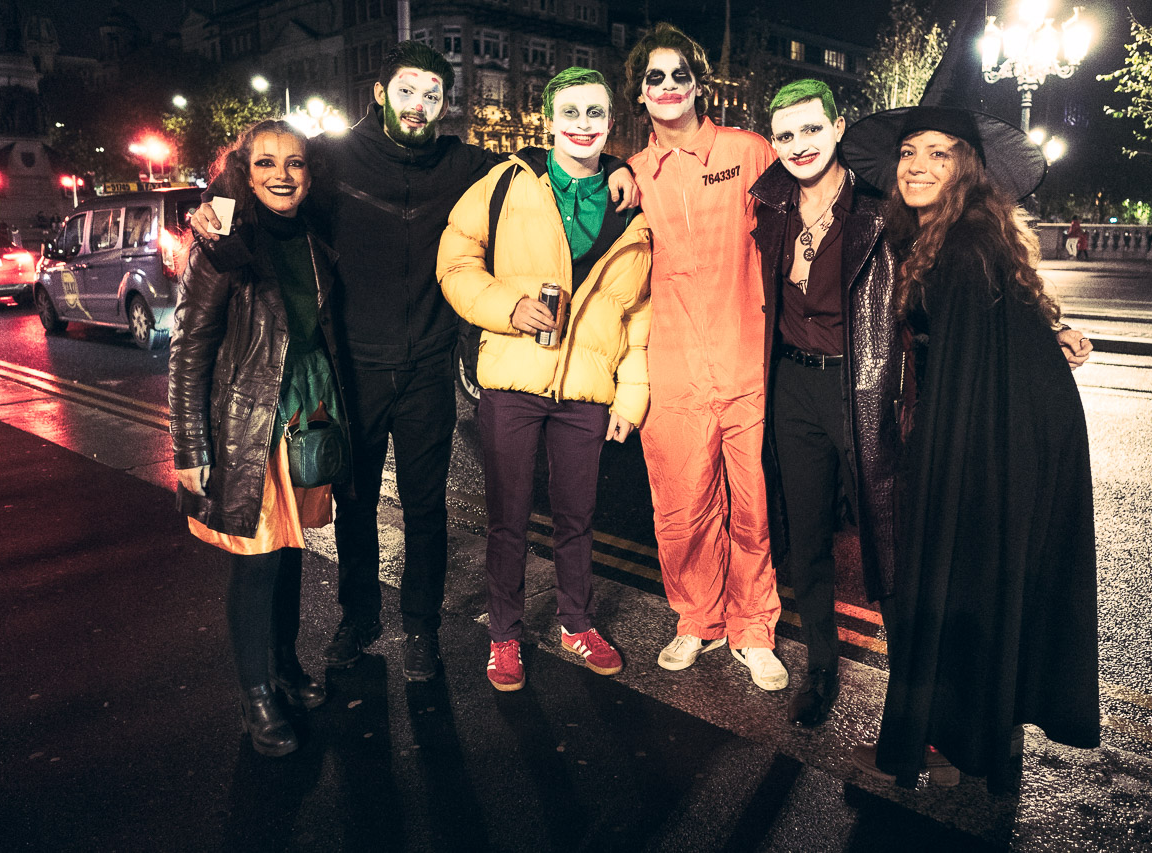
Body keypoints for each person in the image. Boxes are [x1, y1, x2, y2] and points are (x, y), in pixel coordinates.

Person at [193, 42, 637, 684]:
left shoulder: (462, 163)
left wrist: (616, 162)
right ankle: (359, 618)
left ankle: (421, 626)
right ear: (380, 93)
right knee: (355, 502)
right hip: (355, 365)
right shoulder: (332, 157)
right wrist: (211, 204)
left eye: (433, 94)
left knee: (427, 508)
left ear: (444, 103)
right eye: (407, 90)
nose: (419, 104)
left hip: (428, 363)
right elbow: (264, 182)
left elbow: (542, 161)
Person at [841, 105, 1100, 791]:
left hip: (990, 440)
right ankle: (971, 744)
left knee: (947, 583)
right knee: (976, 590)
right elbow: (997, 338)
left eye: (939, 153)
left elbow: (970, 364)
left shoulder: (960, 246)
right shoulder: (955, 235)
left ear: (967, 168)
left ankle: (943, 747)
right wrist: (1055, 338)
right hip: (1010, 433)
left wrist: (938, 463)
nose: (917, 166)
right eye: (908, 153)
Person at [438, 67, 652, 691]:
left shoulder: (631, 203)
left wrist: (631, 393)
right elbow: (455, 259)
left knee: (577, 517)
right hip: (513, 376)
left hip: (588, 388)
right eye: (571, 112)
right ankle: (503, 634)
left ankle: (575, 622)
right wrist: (505, 306)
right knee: (507, 515)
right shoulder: (508, 182)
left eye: (595, 113)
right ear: (548, 119)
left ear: (611, 124)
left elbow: (640, 311)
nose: (582, 124)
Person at [170, 119, 345, 757]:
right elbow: (189, 347)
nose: (281, 174)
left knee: (291, 551)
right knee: (258, 559)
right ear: (244, 172)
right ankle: (257, 695)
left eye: (294, 163)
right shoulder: (223, 243)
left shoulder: (314, 234)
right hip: (248, 424)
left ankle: (286, 665)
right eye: (266, 162)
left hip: (305, 412)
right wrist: (189, 448)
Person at [624, 24, 787, 691]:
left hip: (747, 364)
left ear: (699, 84)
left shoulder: (750, 153)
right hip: (673, 373)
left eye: (679, 75)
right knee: (682, 507)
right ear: (639, 93)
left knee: (753, 507)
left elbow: (800, 232)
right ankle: (697, 618)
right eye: (654, 77)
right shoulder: (632, 175)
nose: (668, 87)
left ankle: (754, 628)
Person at [749, 80, 902, 726]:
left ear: (839, 129)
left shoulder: (879, 205)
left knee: (888, 535)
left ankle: (912, 685)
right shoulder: (769, 200)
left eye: (811, 130)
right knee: (805, 534)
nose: (797, 145)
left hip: (862, 385)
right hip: (792, 385)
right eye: (784, 135)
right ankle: (820, 668)